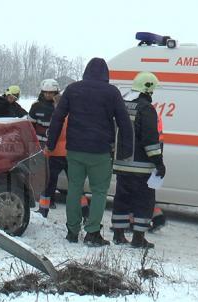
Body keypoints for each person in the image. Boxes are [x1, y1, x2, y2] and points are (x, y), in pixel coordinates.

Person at [46, 58, 133, 246]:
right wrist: (125, 151)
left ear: (86, 72)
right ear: (106, 75)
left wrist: (51, 143)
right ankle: (92, 233)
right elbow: (124, 122)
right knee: (100, 191)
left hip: (75, 150)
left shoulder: (72, 89)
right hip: (100, 151)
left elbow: (58, 117)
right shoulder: (112, 92)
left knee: (74, 189)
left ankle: (72, 231)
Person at [111, 72, 165, 248]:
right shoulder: (146, 109)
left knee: (122, 198)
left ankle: (118, 234)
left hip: (121, 164)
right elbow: (150, 139)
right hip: (141, 166)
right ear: (148, 89)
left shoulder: (123, 104)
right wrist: (158, 161)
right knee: (144, 200)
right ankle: (138, 238)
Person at [38, 93, 90, 221]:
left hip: (55, 154)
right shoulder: (74, 117)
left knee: (49, 184)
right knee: (75, 184)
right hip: (71, 154)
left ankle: (43, 211)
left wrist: (48, 146)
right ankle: (85, 212)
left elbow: (54, 135)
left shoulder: (58, 116)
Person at [29, 79, 60, 146]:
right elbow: (30, 125)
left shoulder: (61, 106)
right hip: (39, 142)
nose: (48, 95)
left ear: (56, 93)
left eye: (51, 93)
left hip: (56, 143)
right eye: (45, 92)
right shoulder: (36, 106)